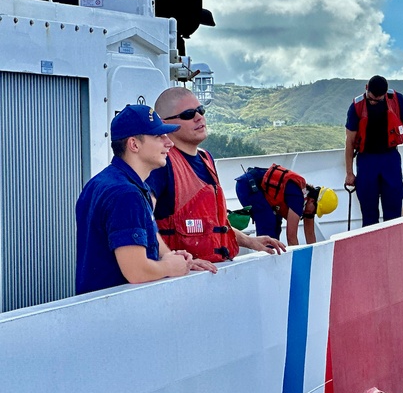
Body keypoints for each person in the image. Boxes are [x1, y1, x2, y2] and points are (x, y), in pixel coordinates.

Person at [148, 87, 286, 260]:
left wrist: (251, 241)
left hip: (213, 272)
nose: (199, 117)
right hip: (182, 278)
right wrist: (170, 259)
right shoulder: (162, 164)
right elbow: (141, 218)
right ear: (165, 123)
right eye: (188, 114)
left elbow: (214, 225)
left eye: (200, 110)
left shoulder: (206, 159)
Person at [76, 105, 195, 294]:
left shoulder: (102, 183)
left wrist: (171, 257)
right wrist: (170, 268)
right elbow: (136, 271)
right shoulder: (126, 194)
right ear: (134, 144)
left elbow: (149, 234)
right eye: (159, 136)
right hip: (117, 312)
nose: (169, 143)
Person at [344, 74, 403, 226]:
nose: (374, 102)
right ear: (366, 89)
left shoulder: (397, 100)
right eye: (371, 98)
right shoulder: (356, 107)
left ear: (384, 94)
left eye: (378, 100)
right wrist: (349, 173)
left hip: (390, 158)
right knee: (369, 213)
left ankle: (394, 245)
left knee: (394, 210)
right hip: (366, 160)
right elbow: (349, 142)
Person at [234, 165, 337, 245]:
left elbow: (310, 235)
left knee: (276, 224)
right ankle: (267, 260)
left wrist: (314, 259)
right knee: (268, 222)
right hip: (247, 186)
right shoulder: (298, 199)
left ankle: (272, 255)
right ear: (312, 201)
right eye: (315, 211)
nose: (312, 214)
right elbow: (291, 237)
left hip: (254, 186)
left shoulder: (309, 200)